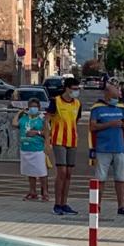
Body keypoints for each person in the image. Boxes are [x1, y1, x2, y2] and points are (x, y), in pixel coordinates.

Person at [89, 81, 124, 217]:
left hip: (119, 147)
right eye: (114, 96)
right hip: (103, 149)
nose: (116, 99)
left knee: (120, 178)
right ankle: (98, 205)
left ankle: (121, 206)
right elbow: (93, 127)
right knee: (100, 179)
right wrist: (110, 124)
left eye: (118, 96)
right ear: (107, 95)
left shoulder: (121, 107)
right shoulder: (97, 108)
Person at [47, 83, 82, 215]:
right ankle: (57, 204)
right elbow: (47, 120)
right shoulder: (55, 101)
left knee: (68, 173)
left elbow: (76, 121)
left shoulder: (77, 104)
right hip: (58, 140)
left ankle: (64, 203)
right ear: (67, 89)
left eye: (77, 89)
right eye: (74, 89)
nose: (76, 91)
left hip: (72, 141)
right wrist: (47, 139)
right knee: (61, 171)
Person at [18, 99, 48, 201]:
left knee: (41, 172)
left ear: (39, 108)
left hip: (38, 148)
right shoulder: (25, 118)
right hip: (26, 148)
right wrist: (19, 112)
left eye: (35, 106)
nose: (33, 108)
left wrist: (37, 132)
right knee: (30, 172)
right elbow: (15, 124)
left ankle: (45, 192)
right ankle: (32, 191)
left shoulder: (42, 118)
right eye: (31, 106)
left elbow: (47, 132)